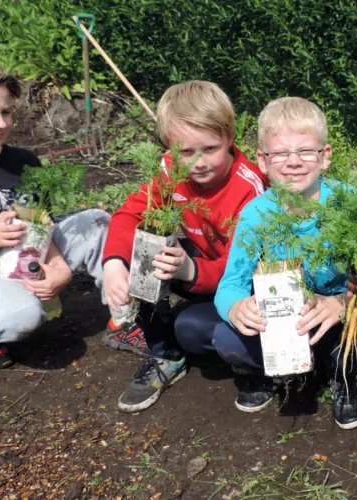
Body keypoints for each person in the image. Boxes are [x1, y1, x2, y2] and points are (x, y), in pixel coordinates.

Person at [102, 80, 268, 413]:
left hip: (238, 284)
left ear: (230, 139)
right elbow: (128, 214)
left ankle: (256, 364)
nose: (198, 162)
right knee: (147, 246)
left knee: (192, 327)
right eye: (186, 152)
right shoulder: (168, 170)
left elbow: (244, 266)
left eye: (210, 149)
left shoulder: (249, 187)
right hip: (192, 269)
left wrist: (191, 270)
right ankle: (164, 354)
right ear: (168, 146)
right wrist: (113, 263)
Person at [206, 97, 357, 429]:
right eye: (280, 153)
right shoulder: (254, 216)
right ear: (263, 161)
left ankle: (345, 378)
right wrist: (236, 307)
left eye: (306, 151)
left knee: (353, 339)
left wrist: (342, 303)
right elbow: (230, 285)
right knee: (227, 337)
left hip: (336, 317)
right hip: (282, 326)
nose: (293, 162)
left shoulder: (350, 204)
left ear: (325, 157)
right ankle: (267, 374)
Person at [0, 56, 111, 369]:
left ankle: (123, 316)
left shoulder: (23, 162)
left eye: (6, 111)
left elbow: (37, 223)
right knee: (23, 315)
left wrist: (59, 264)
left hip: (25, 256)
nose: (2, 123)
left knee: (97, 222)